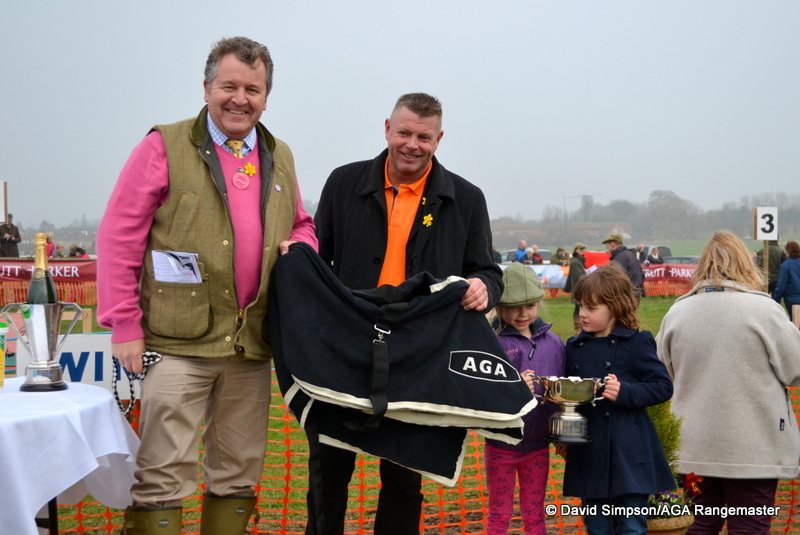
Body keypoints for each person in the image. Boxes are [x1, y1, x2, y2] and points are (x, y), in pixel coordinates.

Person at [96, 36, 317, 535]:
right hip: (177, 343)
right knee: (160, 474)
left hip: (249, 345)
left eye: (253, 89)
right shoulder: (163, 145)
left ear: (266, 96)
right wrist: (124, 323)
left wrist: (301, 245)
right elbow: (118, 235)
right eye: (229, 86)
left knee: (238, 473)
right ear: (206, 87)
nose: (240, 98)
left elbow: (301, 222)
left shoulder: (279, 154)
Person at [313, 92, 503, 535]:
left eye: (423, 136)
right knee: (328, 469)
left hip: (420, 355)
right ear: (386, 128)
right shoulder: (343, 183)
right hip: (346, 348)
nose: (412, 145)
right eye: (404, 133)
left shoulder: (466, 199)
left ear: (439, 138)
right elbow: (317, 260)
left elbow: (488, 272)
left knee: (403, 473)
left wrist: (483, 288)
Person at [656, 231, 800, 535]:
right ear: (746, 263)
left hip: (693, 447)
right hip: (753, 449)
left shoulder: (677, 312)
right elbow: (795, 370)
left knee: (700, 524)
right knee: (749, 527)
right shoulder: (765, 311)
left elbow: (661, 376)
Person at [561, 262, 675, 535]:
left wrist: (626, 392)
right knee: (597, 526)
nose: (582, 314)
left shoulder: (637, 342)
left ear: (616, 307)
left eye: (591, 308)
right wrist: (565, 437)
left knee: (631, 526)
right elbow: (568, 399)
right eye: (580, 306)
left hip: (630, 452)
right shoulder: (574, 347)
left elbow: (662, 386)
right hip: (589, 451)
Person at [485, 262, 565, 535]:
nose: (523, 313)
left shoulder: (554, 343)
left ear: (539, 304)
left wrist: (563, 434)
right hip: (501, 444)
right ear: (499, 307)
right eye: (514, 306)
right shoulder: (490, 342)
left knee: (535, 513)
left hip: (538, 446)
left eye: (530, 305)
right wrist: (514, 389)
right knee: (499, 513)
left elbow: (565, 393)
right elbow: (480, 393)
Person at [602, 233, 644, 303]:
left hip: (624, 295)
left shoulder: (619, 258)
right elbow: (641, 274)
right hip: (635, 293)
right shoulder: (630, 254)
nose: (606, 247)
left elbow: (615, 278)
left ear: (612, 244)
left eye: (607, 244)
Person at [563, 242, 587, 335]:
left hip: (580, 289)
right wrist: (589, 273)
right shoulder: (575, 262)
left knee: (580, 308)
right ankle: (578, 329)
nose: (582, 251)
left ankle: (580, 328)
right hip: (578, 289)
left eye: (583, 249)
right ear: (576, 250)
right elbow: (579, 276)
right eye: (580, 249)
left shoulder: (579, 261)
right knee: (578, 308)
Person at [773, 240, 800, 317]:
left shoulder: (785, 266)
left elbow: (781, 285)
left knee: (795, 322)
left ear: (788, 251)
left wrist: (776, 299)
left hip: (792, 299)